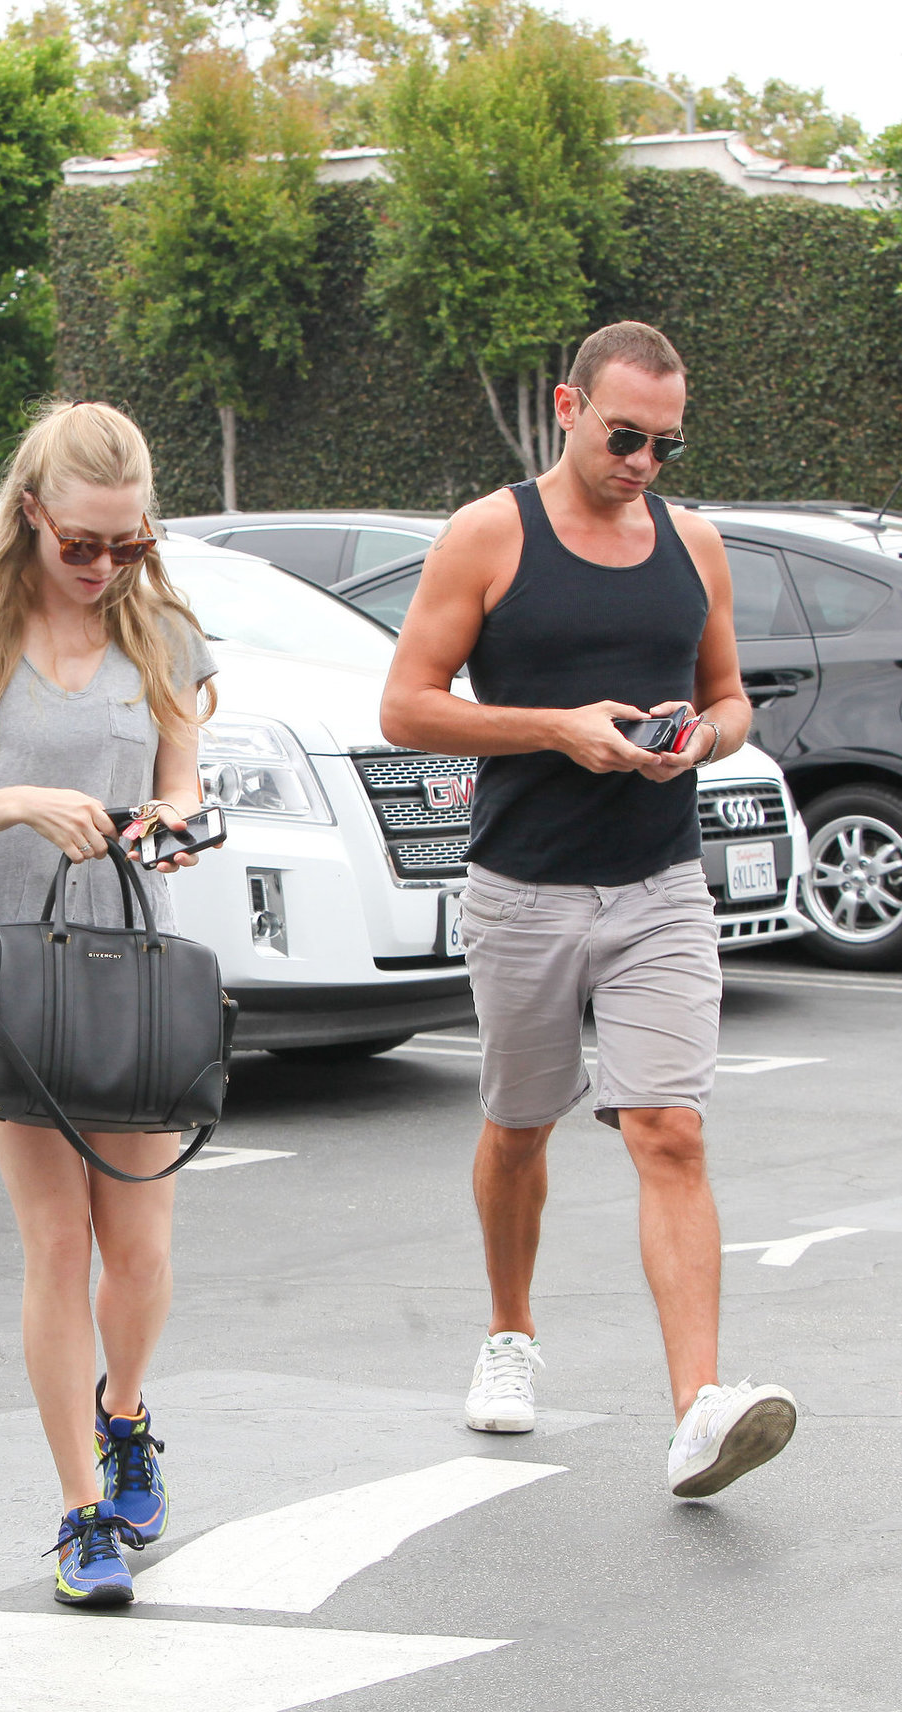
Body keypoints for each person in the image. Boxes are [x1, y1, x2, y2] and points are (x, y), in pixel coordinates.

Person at [380, 321, 797, 1499]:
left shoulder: (692, 544)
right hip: (522, 884)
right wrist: (555, 728)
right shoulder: (488, 534)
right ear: (567, 405)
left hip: (659, 881)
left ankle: (696, 1410)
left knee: (669, 1129)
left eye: (665, 444)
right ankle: (509, 1333)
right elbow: (407, 706)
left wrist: (697, 740)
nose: (644, 463)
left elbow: (729, 700)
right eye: (625, 436)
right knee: (519, 1125)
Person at [0, 400, 219, 1602]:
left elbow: (180, 780)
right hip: (9, 975)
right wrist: (16, 799)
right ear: (30, 512)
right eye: (83, 543)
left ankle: (122, 1414)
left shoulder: (164, 632)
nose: (104, 566)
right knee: (58, 1240)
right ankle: (82, 1511)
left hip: (129, 967)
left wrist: (173, 818)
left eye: (128, 543)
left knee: (139, 1241)